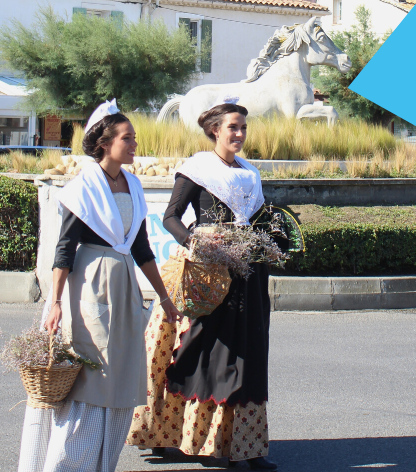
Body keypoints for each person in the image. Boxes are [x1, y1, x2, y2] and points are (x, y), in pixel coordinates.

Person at [17, 99, 181, 472]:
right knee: (92, 373)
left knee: (121, 373)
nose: (135, 143)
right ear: (104, 143)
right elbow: (65, 248)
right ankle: (67, 463)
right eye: (128, 137)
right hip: (90, 283)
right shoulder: (83, 187)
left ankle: (101, 463)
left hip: (123, 282)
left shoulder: (133, 184)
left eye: (134, 137)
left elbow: (141, 248)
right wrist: (56, 301)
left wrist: (166, 297)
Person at [127, 97, 278, 471]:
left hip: (247, 275)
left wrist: (271, 241)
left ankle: (247, 447)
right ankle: (183, 436)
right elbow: (171, 216)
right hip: (206, 273)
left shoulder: (250, 174)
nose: (240, 134)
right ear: (215, 130)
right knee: (202, 351)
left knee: (249, 354)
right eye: (233, 127)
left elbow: (260, 220)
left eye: (243, 127)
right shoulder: (197, 168)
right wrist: (198, 241)